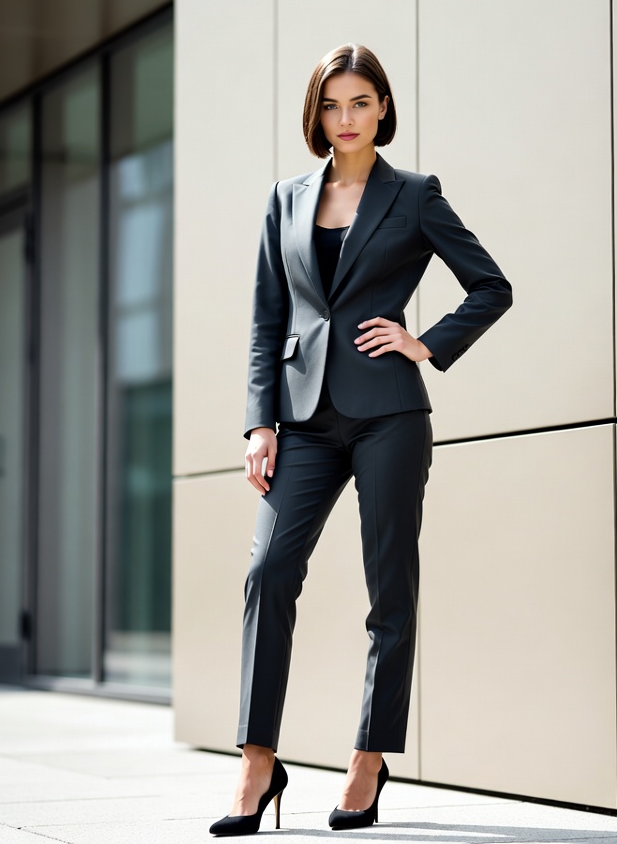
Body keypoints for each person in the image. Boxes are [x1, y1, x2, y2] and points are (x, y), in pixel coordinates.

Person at [210, 44, 512, 836]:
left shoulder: (414, 196)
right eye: (332, 105)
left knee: (389, 592)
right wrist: (258, 421)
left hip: (387, 417)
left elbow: (491, 284)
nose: (346, 119)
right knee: (268, 574)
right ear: (316, 114)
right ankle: (257, 762)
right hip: (302, 419)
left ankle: (368, 762)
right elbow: (265, 320)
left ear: (384, 108)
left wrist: (427, 342)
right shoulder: (284, 198)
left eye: (361, 103)